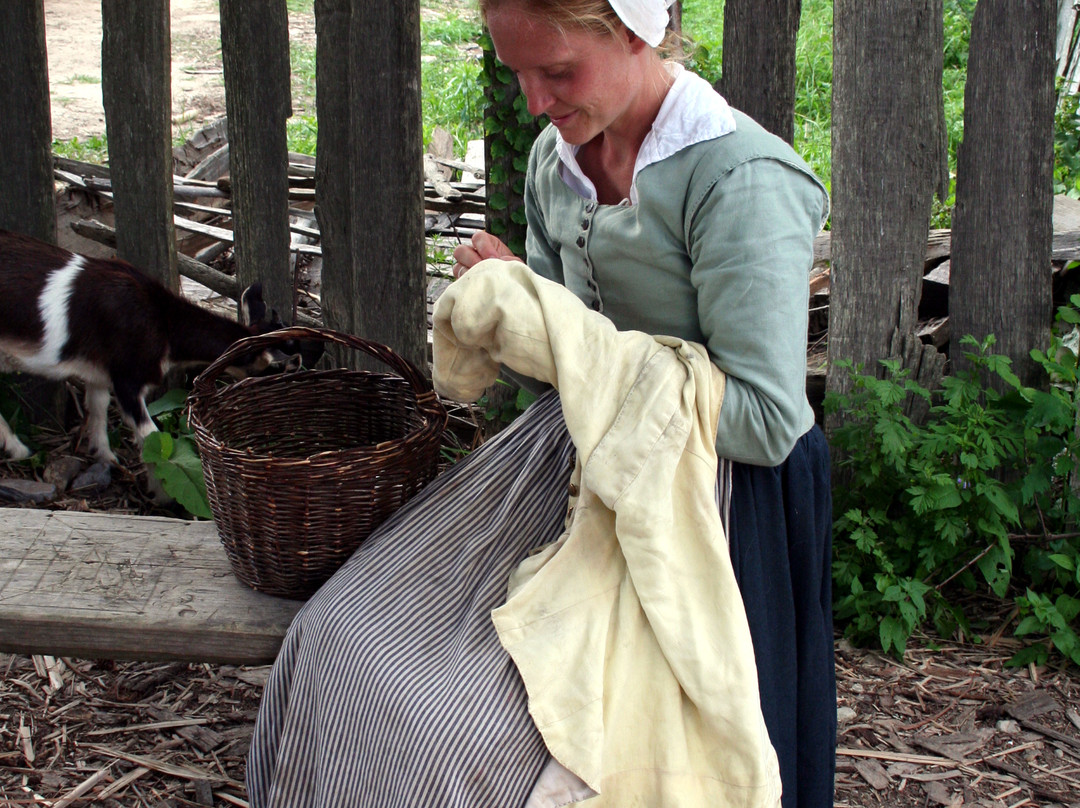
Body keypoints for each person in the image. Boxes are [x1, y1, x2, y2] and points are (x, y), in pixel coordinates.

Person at [245, 0, 834, 806]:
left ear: (636, 30)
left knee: (478, 736)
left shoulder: (739, 181)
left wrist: (553, 324)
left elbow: (766, 423)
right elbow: (559, 381)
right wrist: (518, 315)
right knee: (336, 638)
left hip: (714, 500)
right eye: (515, 72)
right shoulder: (558, 157)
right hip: (568, 461)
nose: (533, 103)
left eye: (556, 71)